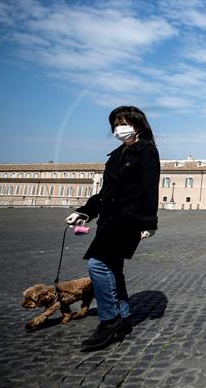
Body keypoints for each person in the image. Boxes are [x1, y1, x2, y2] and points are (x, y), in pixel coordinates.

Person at [66, 106, 160, 351]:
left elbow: (150, 189)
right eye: (115, 123)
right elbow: (105, 193)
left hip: (129, 220)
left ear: (137, 126)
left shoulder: (147, 152)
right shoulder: (115, 156)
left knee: (97, 264)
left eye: (123, 122)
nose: (119, 128)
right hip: (108, 219)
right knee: (113, 268)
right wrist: (84, 211)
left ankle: (109, 321)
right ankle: (124, 318)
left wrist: (149, 223)